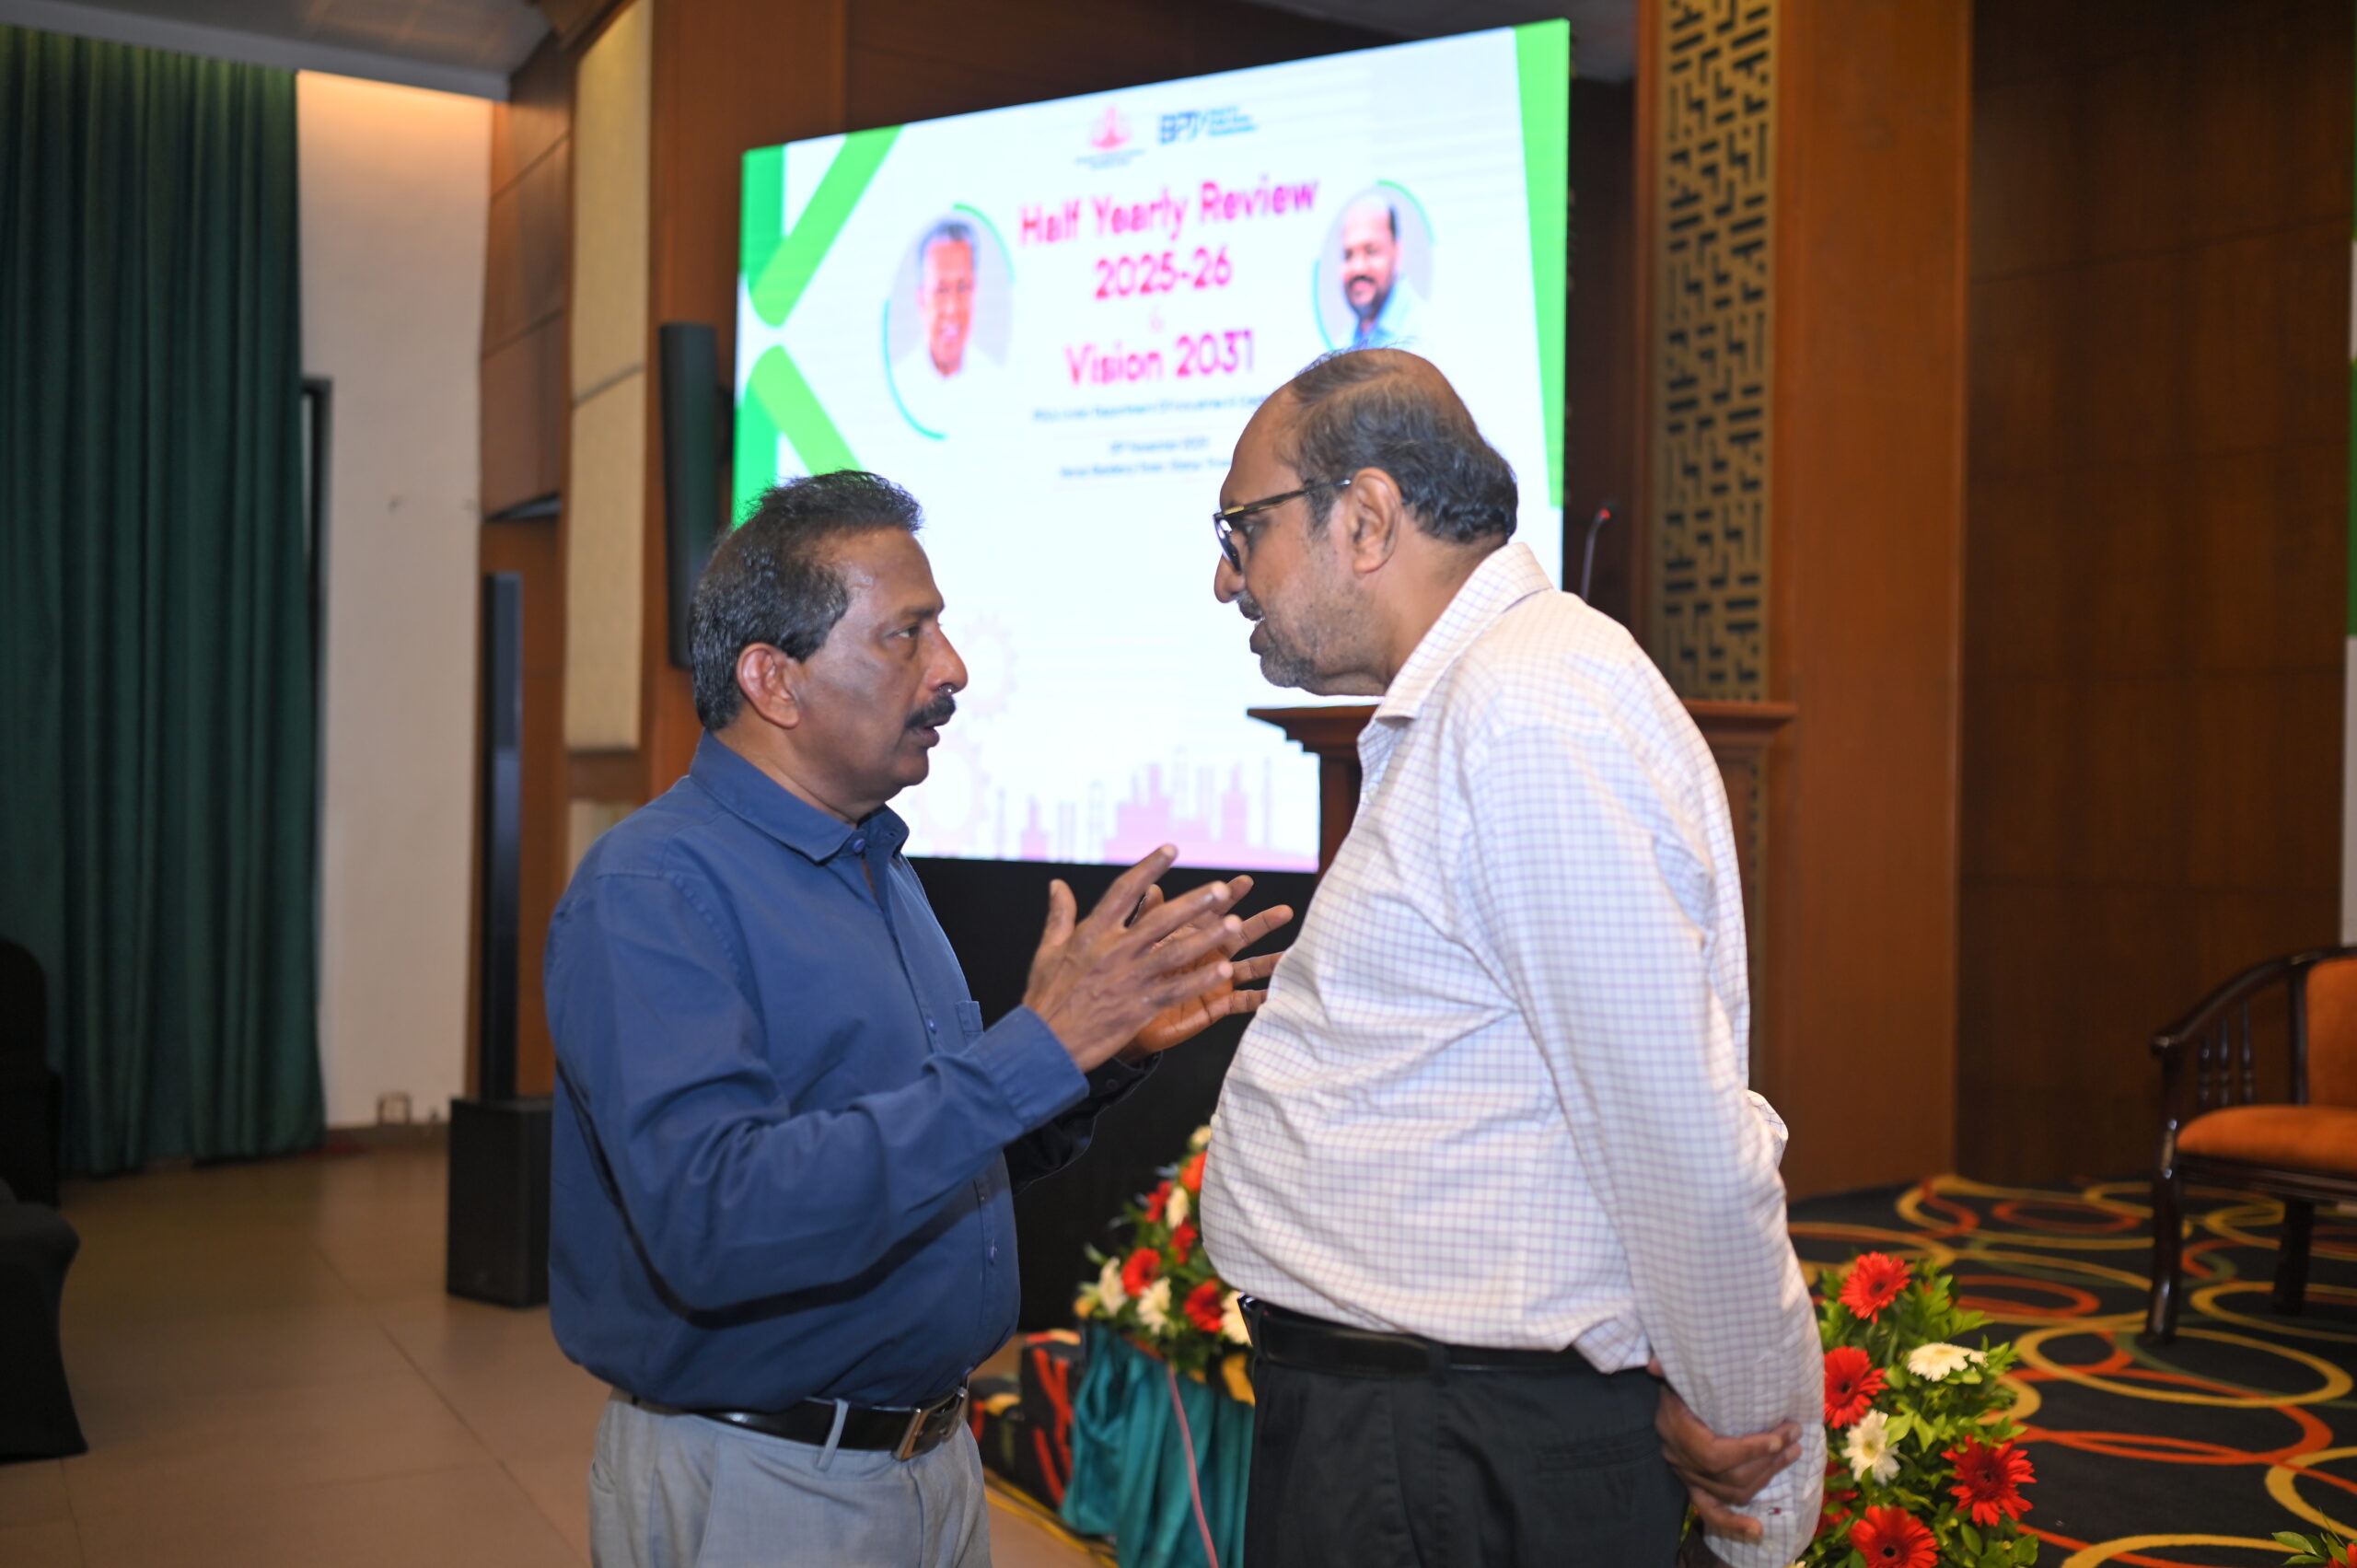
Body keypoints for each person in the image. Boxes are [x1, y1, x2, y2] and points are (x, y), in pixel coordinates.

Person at [545, 470, 1291, 1568]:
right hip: (769, 1481)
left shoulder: (872, 862)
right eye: (907, 634)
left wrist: (1096, 1052)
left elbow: (935, 1154)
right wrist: (1034, 1047)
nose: (952, 668)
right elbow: (717, 1219)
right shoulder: (653, 889)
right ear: (773, 679)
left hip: (928, 1462)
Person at [1198, 350, 1822, 1567]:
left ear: (1364, 517)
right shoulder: (1493, 696)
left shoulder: (1528, 710)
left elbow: (1668, 1122)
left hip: (1454, 1452)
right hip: (1428, 1431)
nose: (1227, 576)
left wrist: (1748, 1432)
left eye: (1244, 528)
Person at [891, 221, 985, 434]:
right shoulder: (901, 383)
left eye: (963, 288)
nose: (952, 308)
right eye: (941, 291)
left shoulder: (996, 382)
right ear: (921, 300)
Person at [1336, 193, 1423, 350]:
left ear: (1396, 252)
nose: (1358, 267)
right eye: (1349, 255)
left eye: (1371, 251)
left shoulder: (1424, 336)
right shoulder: (1343, 345)